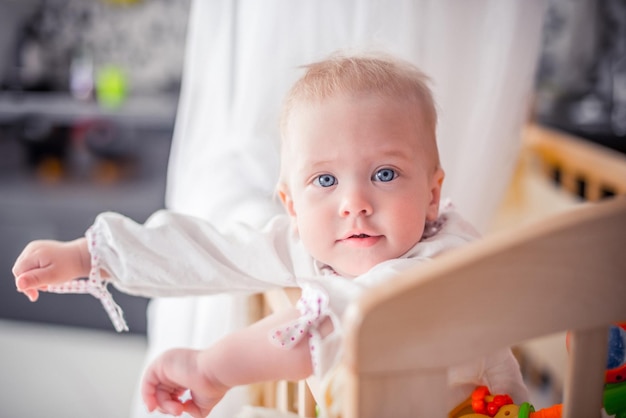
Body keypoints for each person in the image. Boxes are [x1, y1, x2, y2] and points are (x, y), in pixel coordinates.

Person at [12, 53, 528, 417]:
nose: (354, 202)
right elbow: (207, 250)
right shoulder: (307, 241)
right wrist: (89, 255)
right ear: (292, 206)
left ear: (433, 195)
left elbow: (339, 322)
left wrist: (210, 368)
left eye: (386, 174)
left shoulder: (448, 256)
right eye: (325, 180)